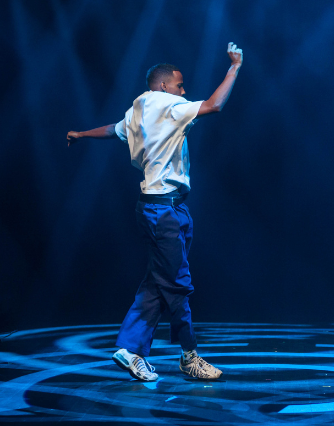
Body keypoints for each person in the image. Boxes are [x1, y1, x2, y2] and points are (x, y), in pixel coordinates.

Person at [66, 42, 244, 381]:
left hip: (156, 209)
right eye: (179, 85)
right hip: (164, 213)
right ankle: (189, 356)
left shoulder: (138, 108)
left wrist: (81, 134)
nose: (183, 91)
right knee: (177, 284)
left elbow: (113, 130)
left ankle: (129, 347)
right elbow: (215, 105)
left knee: (158, 281)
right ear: (163, 86)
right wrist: (234, 67)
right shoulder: (168, 104)